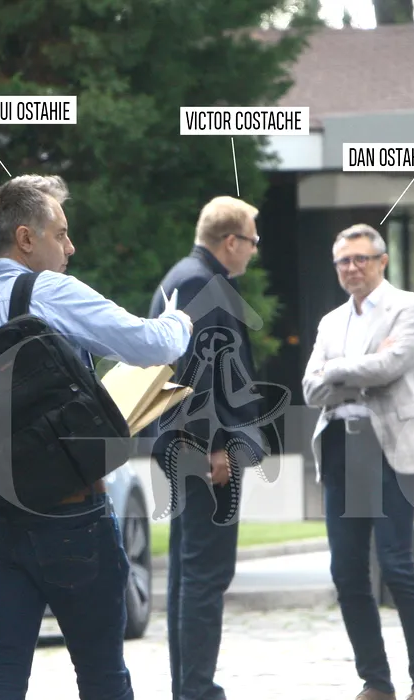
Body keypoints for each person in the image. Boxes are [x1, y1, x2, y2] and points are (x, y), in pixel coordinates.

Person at [0, 174, 193, 700]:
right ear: (26, 238)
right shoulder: (51, 291)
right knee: (102, 674)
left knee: (2, 670)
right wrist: (180, 319)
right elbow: (150, 345)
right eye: (61, 234)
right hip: (71, 514)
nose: (70, 248)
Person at [302, 224, 414, 700]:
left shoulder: (409, 307)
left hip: (391, 448)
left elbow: (391, 367)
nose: (352, 268)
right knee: (346, 572)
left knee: (396, 565)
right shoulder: (330, 322)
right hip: (341, 447)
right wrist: (353, 372)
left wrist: (336, 370)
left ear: (382, 261)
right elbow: (310, 389)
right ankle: (376, 683)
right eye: (343, 261)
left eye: (361, 259)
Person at [144, 195, 271, 700]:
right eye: (252, 241)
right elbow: (201, 371)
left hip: (183, 446)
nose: (254, 251)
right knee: (205, 573)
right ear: (231, 241)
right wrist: (217, 447)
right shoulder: (202, 282)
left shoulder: (181, 277)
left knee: (189, 571)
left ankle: (189, 688)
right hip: (205, 452)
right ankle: (196, 690)